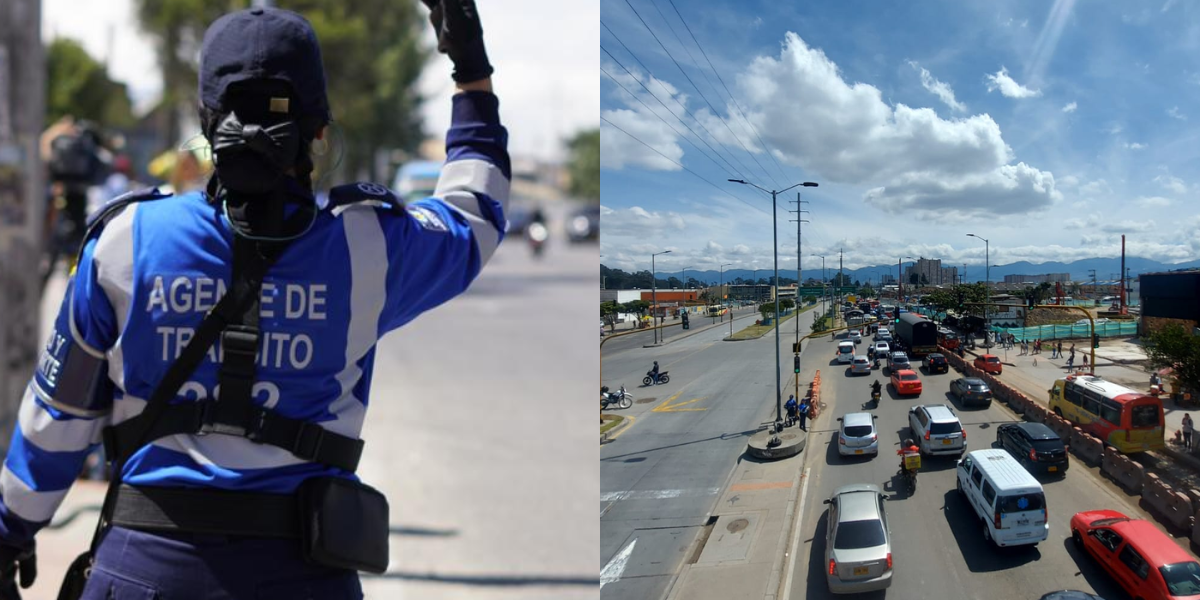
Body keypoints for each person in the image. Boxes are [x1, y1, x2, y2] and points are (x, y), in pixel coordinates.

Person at [0, 3, 506, 598]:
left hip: (143, 568)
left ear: (207, 120)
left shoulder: (125, 239)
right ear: (320, 130)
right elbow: (475, 216)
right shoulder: (370, 246)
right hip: (305, 574)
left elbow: (59, 417)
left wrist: (11, 532)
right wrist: (470, 73)